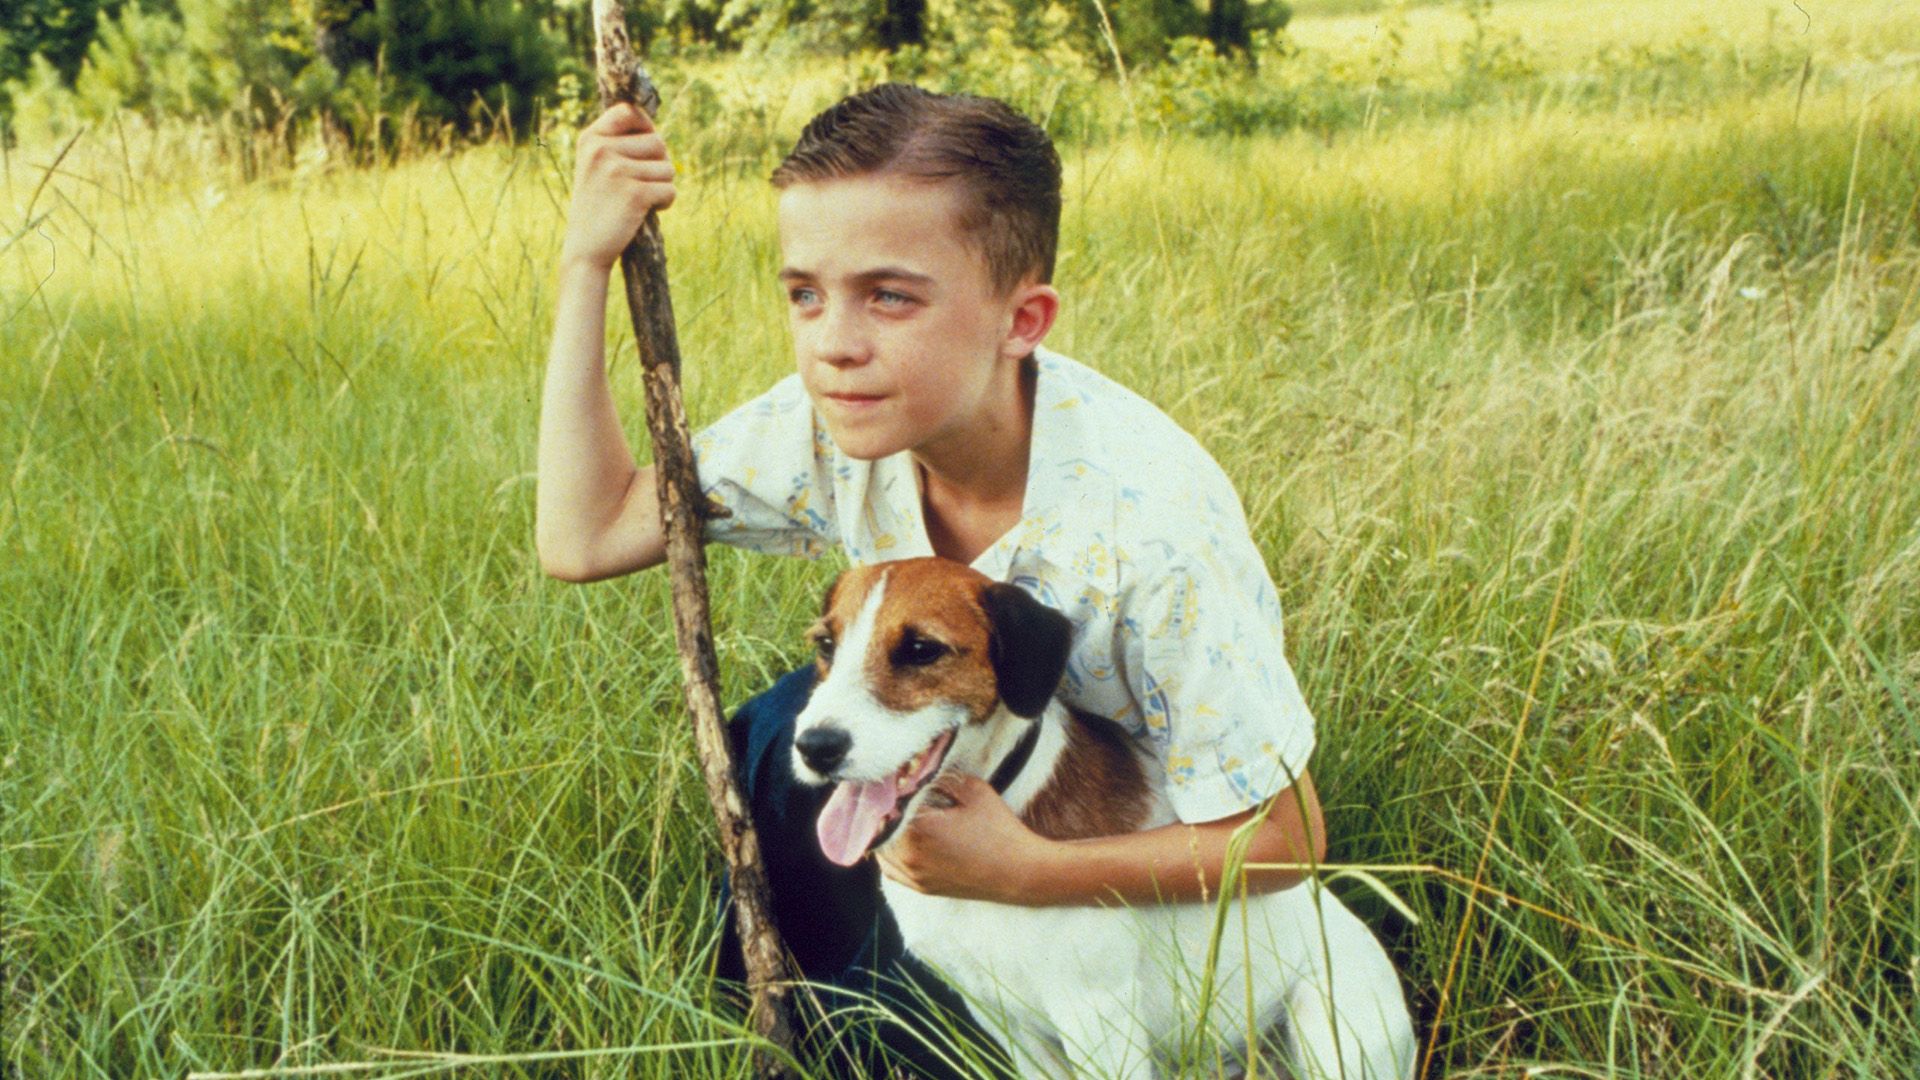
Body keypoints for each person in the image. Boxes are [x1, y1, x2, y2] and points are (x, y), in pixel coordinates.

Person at [536, 83, 1329, 1075]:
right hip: (968, 783)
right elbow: (586, 533)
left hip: (1137, 878)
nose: (833, 343)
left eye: (891, 295)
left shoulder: (1150, 531)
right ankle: (843, 1035)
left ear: (1022, 318)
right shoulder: (832, 424)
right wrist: (587, 261)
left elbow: (1286, 839)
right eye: (804, 293)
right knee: (787, 731)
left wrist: (1031, 874)